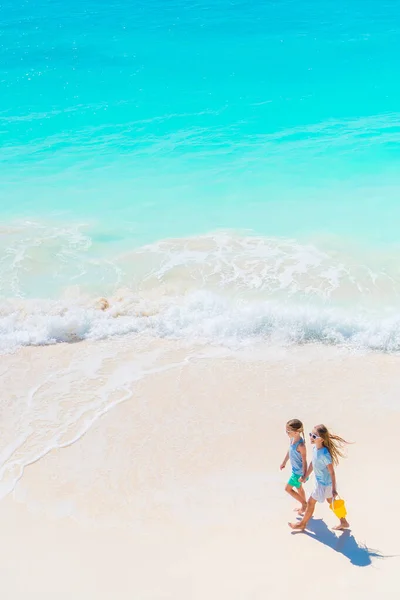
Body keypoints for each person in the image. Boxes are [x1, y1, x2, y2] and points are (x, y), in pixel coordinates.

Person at [289, 424, 350, 531]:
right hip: (322, 483)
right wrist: (305, 476)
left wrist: (334, 489)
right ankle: (343, 522)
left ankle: (302, 524)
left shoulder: (325, 454)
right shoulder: (315, 449)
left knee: (311, 502)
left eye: (314, 436)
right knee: (330, 501)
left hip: (325, 485)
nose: (311, 437)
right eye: (311, 434)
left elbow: (332, 473)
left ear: (321, 439)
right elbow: (313, 463)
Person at [280, 419, 307, 514]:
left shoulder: (301, 445)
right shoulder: (292, 440)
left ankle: (304, 504)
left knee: (288, 489)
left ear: (296, 432)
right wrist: (284, 462)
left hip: (298, 472)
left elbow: (304, 460)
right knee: (299, 488)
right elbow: (289, 451)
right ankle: (304, 506)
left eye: (288, 431)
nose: (286, 433)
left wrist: (304, 475)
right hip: (294, 469)